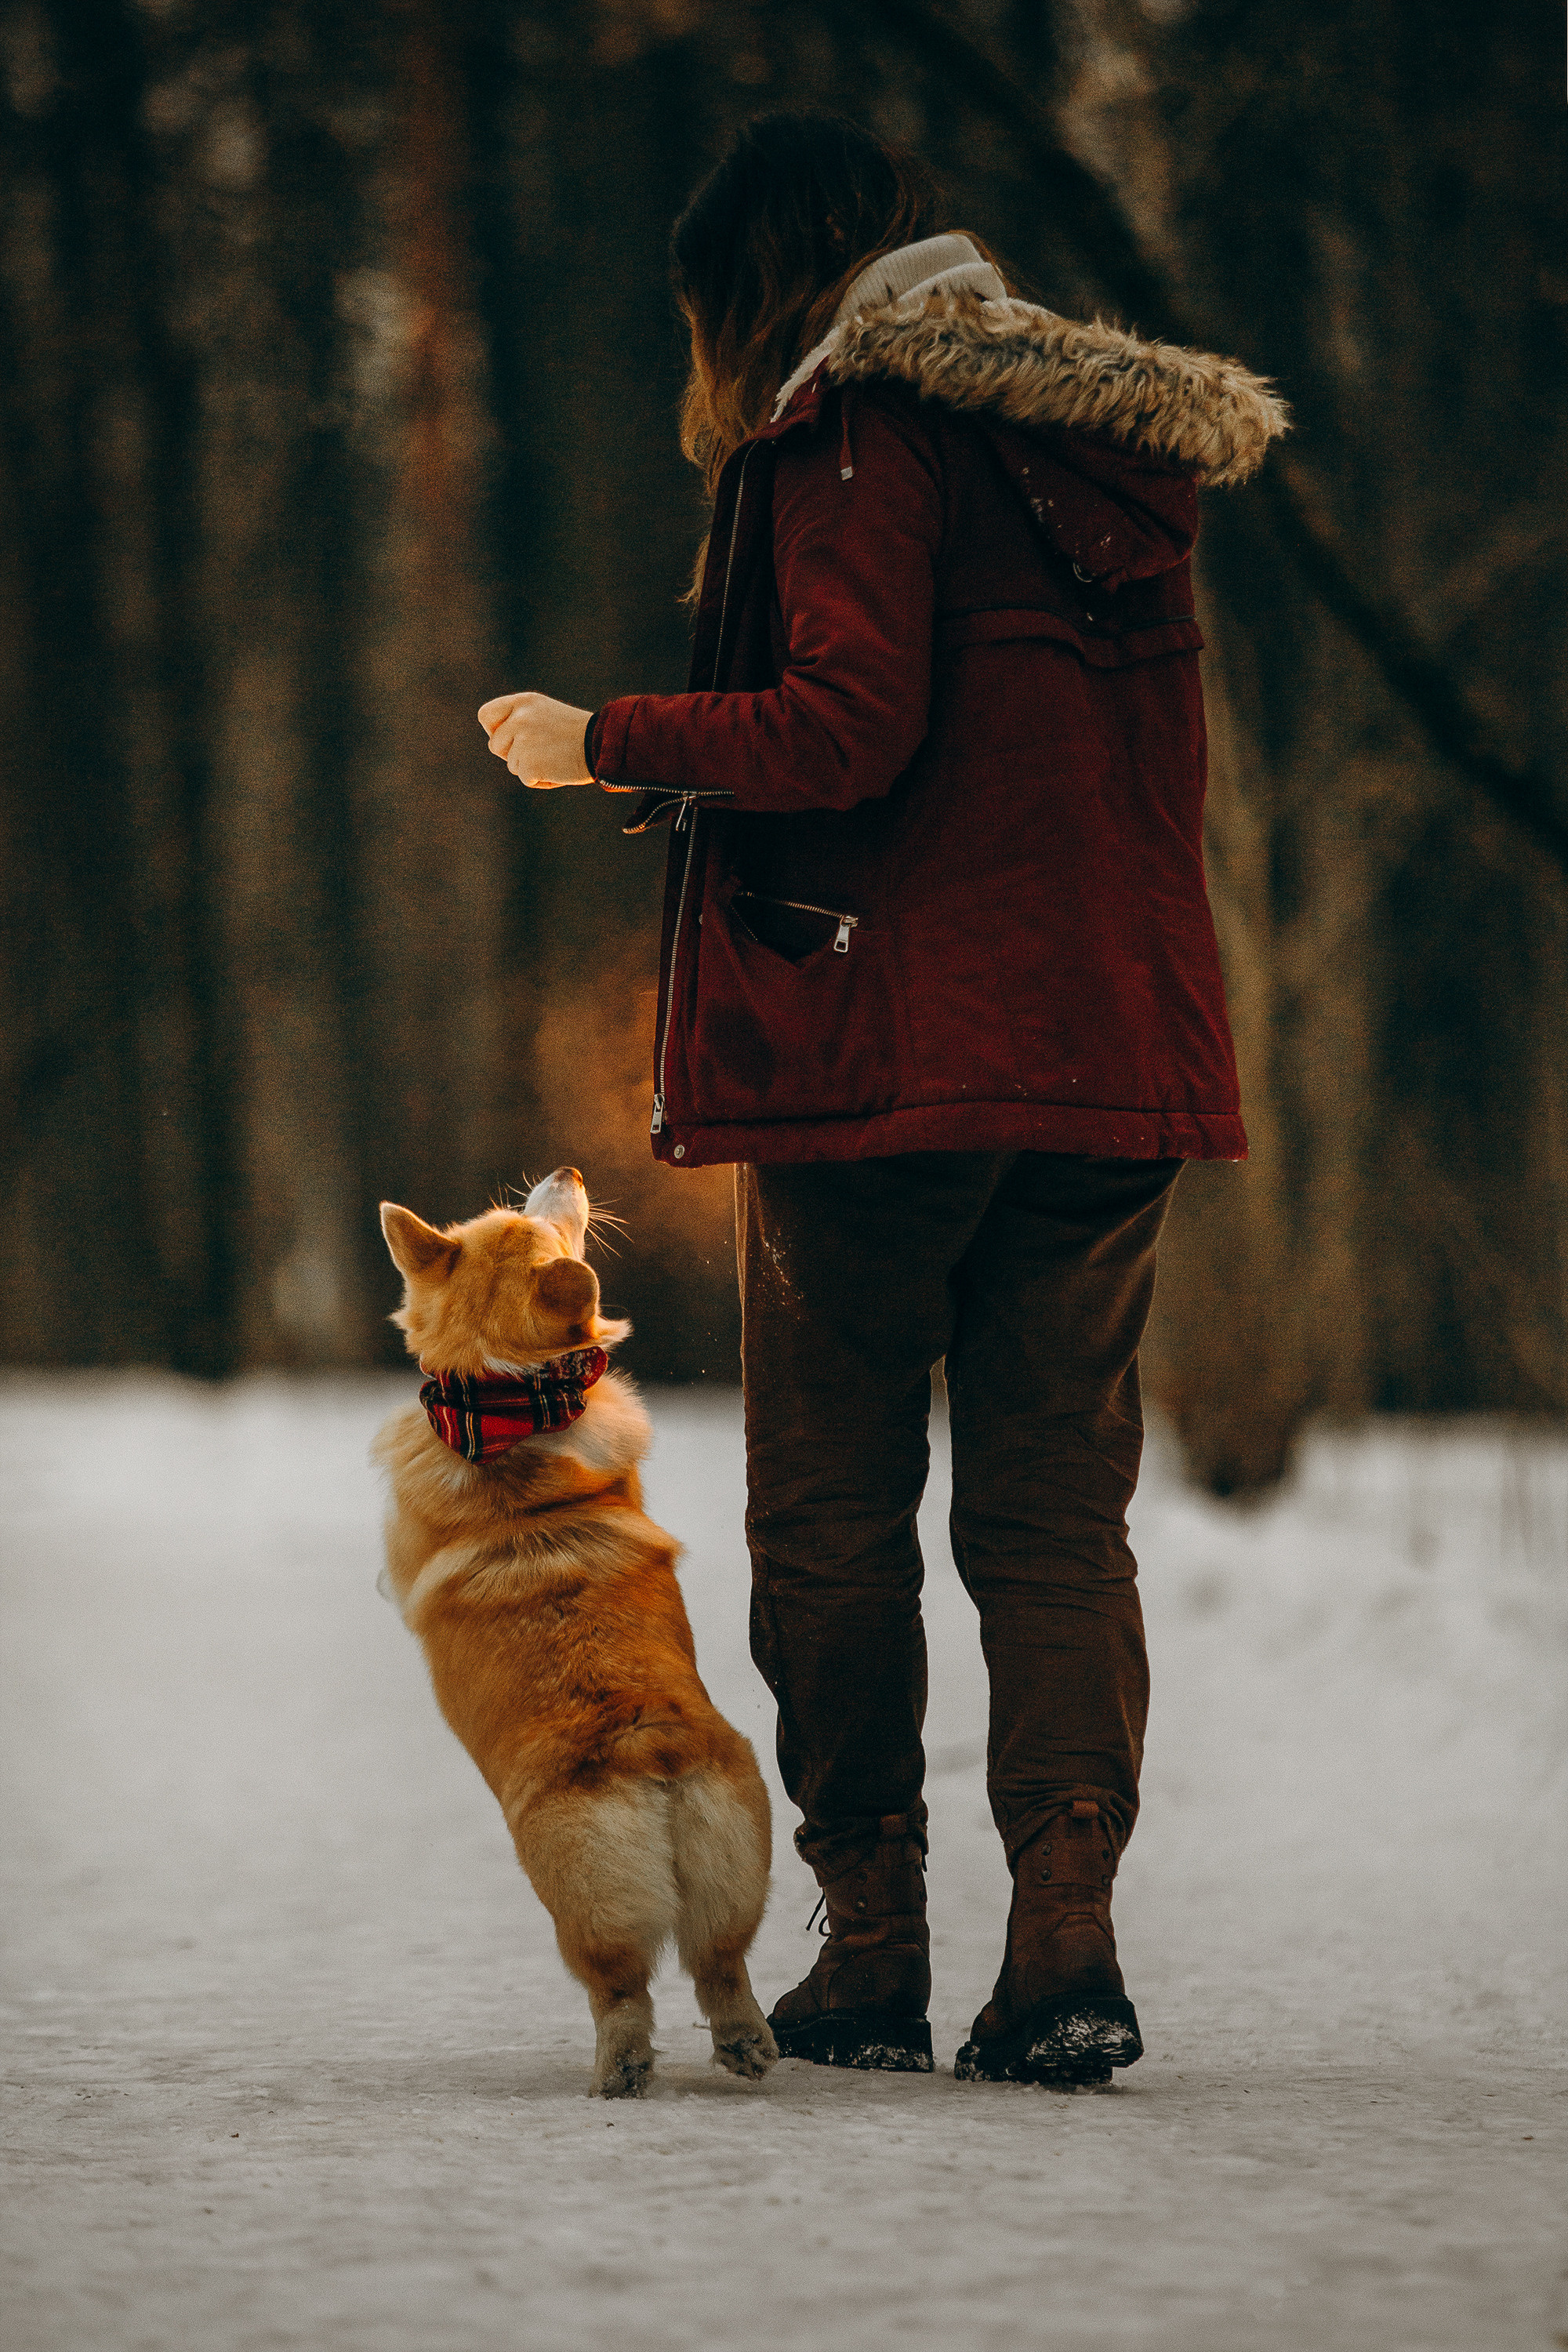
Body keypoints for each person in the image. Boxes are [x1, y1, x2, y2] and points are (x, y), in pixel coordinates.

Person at [477, 111, 1287, 2086]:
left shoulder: (856, 435)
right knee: (1053, 1514)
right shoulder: (1111, 452)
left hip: (888, 1058)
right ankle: (1067, 1945)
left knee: (831, 1509)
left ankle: (876, 1940)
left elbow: (851, 727)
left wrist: (605, 741)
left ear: (765, 278)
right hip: (1110, 1052)